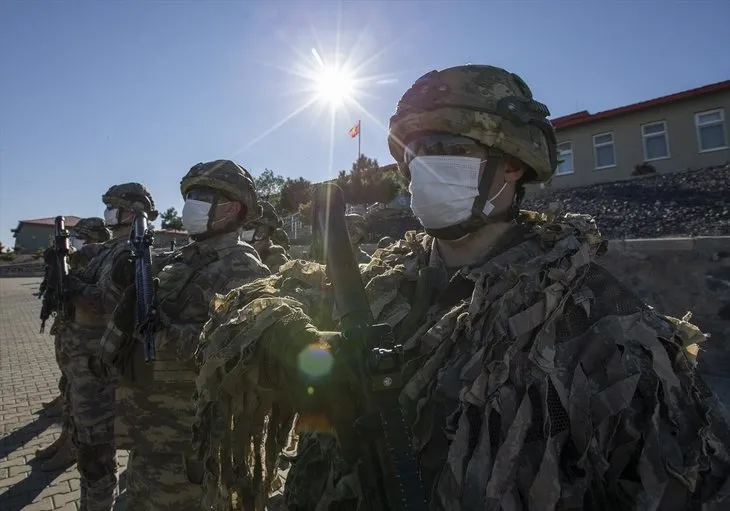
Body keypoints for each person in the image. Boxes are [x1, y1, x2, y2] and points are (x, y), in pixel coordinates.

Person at [192, 65, 730, 510]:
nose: (421, 166)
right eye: (411, 151)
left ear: (514, 163)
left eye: (447, 145)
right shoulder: (379, 283)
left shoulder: (603, 328)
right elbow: (245, 309)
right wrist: (293, 341)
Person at [101, 160, 271, 510]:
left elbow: (238, 352)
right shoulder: (181, 258)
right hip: (151, 425)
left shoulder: (243, 266)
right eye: (190, 194)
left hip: (187, 435)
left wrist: (162, 331)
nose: (192, 203)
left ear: (233, 208)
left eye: (204, 196)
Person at [66, 184, 158, 510]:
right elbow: (84, 258)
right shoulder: (109, 248)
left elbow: (110, 302)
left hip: (101, 375)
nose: (108, 212)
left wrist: (75, 289)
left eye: (114, 207)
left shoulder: (131, 253)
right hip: (85, 370)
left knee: (97, 460)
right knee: (89, 456)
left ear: (131, 212)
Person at [34, 216, 112, 472]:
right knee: (68, 391)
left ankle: (73, 447)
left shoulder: (103, 257)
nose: (77, 241)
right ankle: (66, 438)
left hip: (90, 344)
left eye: (82, 236)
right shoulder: (82, 256)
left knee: (82, 402)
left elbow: (100, 298)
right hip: (73, 335)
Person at [243, 200, 290, 273]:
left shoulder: (276, 261)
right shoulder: (242, 252)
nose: (245, 231)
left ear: (266, 231)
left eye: (251, 226)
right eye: (247, 226)